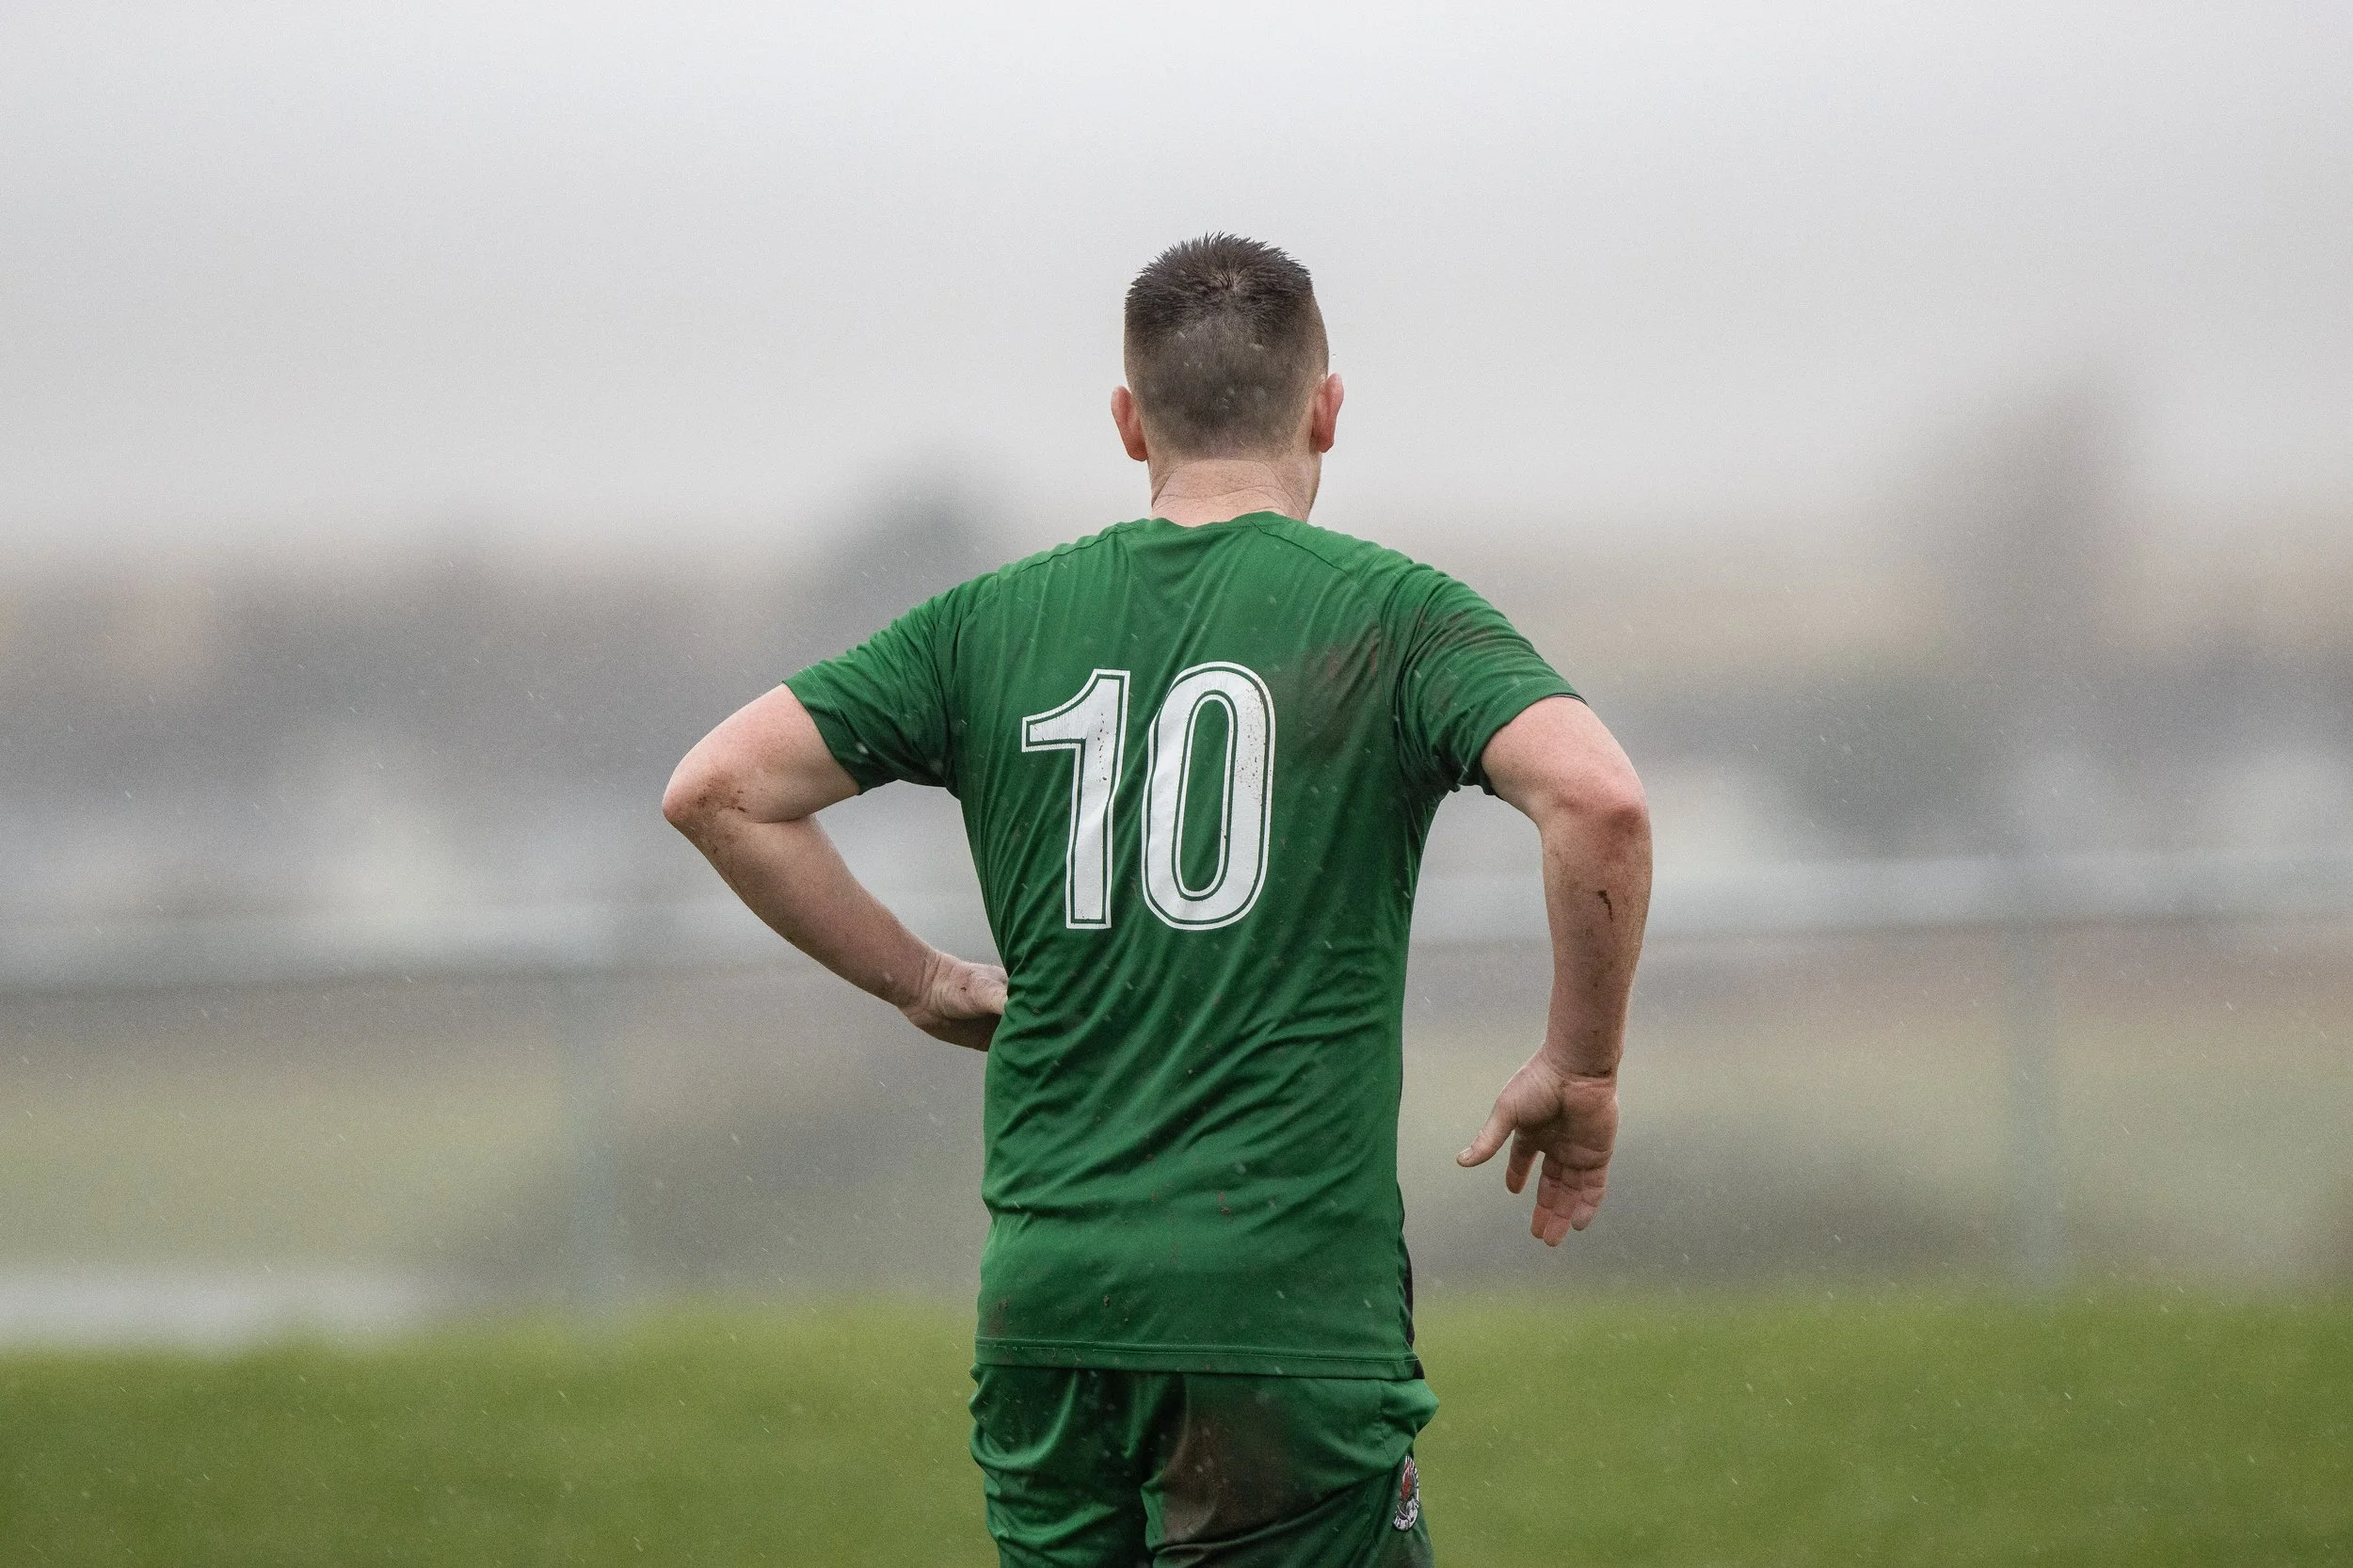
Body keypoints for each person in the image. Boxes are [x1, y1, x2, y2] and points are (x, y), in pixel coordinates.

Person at [663, 234, 1650, 1567]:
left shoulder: (989, 622)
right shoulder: (1396, 619)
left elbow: (719, 789)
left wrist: (925, 979)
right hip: (1283, 1309)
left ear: (1130, 423)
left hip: (1052, 1307)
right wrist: (1580, 1063)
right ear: (1327, 409)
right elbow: (1600, 801)